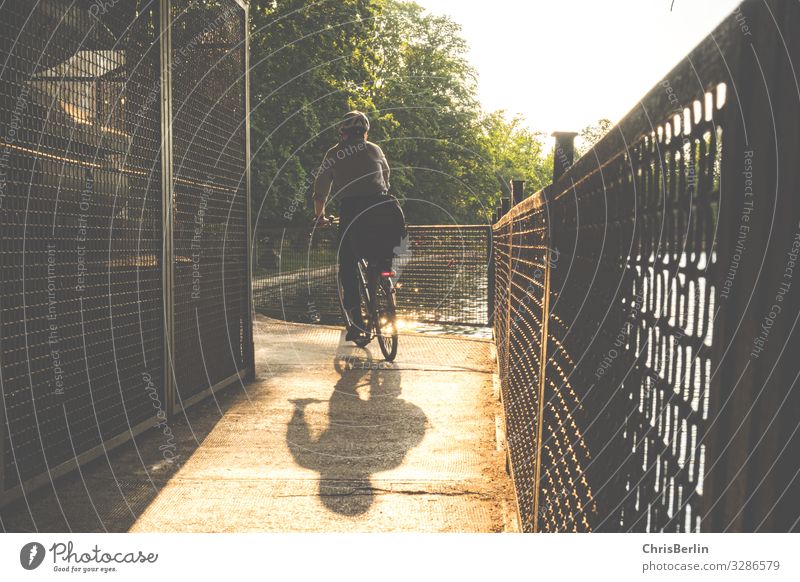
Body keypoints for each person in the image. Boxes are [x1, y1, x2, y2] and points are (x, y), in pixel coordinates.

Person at [313, 111, 395, 342]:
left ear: (343, 132)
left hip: (352, 212)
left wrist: (320, 217)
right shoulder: (375, 150)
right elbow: (386, 179)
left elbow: (320, 192)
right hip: (381, 209)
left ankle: (358, 323)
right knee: (380, 251)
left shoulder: (334, 153)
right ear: (365, 132)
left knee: (347, 265)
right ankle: (382, 274)